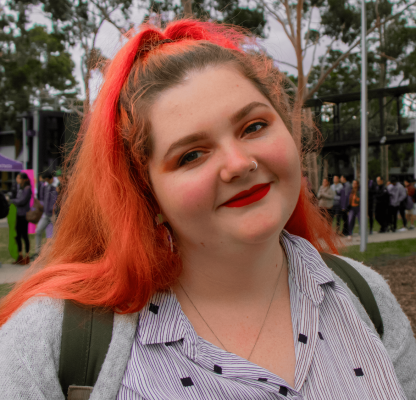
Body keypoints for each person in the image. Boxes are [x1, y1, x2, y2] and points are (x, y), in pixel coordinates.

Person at [0, 20, 414, 399]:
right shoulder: (53, 341)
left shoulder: (365, 297)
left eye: (254, 126)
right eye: (192, 155)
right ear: (146, 193)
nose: (239, 163)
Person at [9, 172, 32, 265]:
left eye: (18, 178)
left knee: (24, 236)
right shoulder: (19, 188)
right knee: (17, 235)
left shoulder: (27, 189)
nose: (17, 180)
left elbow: (22, 201)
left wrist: (12, 200)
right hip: (18, 214)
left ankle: (27, 256)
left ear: (23, 179)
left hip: (24, 215)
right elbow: (17, 199)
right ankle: (20, 256)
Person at [34, 171, 57, 256]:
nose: (45, 181)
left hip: (54, 215)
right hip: (46, 214)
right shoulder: (46, 186)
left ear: (48, 178)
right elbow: (43, 198)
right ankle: (38, 252)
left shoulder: (56, 186)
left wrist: (54, 209)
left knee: (52, 236)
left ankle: (52, 253)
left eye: (45, 179)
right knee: (38, 231)